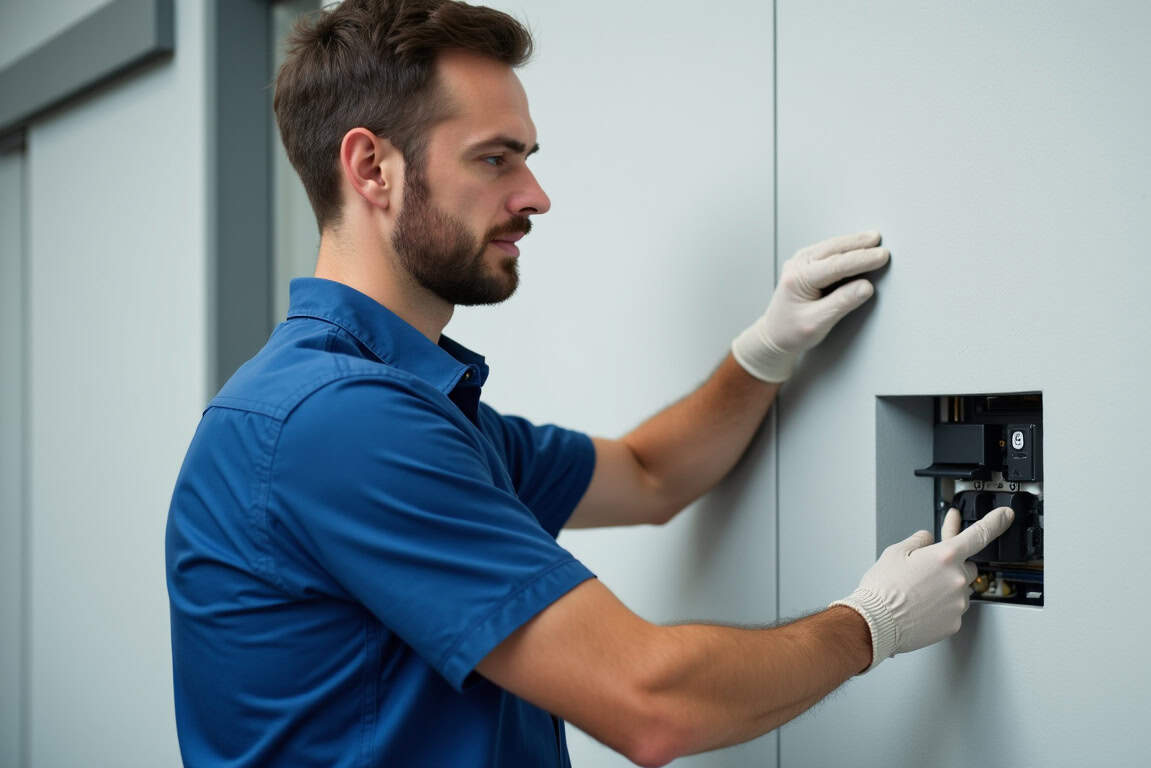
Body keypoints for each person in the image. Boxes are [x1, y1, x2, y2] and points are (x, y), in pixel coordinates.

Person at [164, 1, 1014, 766]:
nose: (536, 196)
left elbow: (650, 474)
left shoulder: (413, 407)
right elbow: (652, 705)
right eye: (495, 159)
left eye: (527, 158)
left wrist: (765, 349)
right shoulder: (340, 423)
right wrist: (872, 624)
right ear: (372, 168)